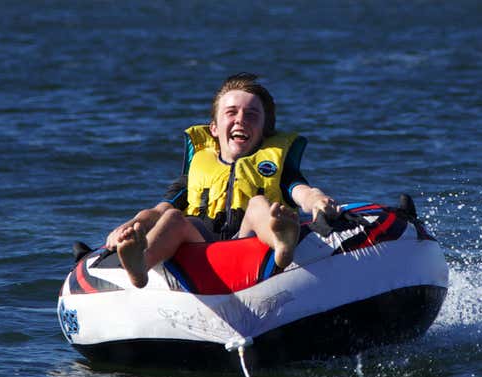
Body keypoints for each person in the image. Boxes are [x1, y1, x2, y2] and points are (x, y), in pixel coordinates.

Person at [105, 73, 339, 288]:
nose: (241, 120)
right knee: (174, 217)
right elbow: (160, 209)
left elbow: (302, 192)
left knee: (258, 203)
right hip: (201, 243)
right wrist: (133, 225)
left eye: (251, 115)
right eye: (231, 112)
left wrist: (317, 200)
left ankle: (282, 243)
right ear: (214, 129)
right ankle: (139, 264)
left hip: (249, 239)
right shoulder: (198, 168)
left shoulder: (275, 167)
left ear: (264, 131)